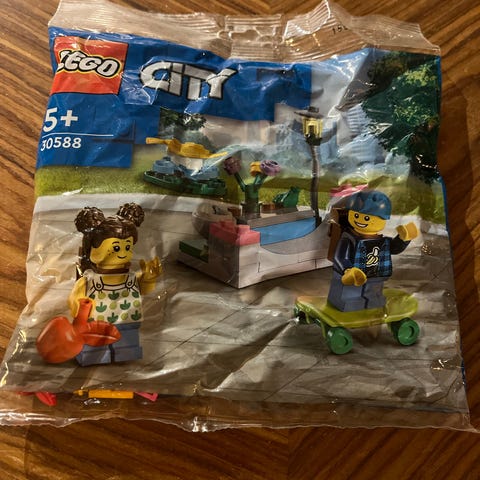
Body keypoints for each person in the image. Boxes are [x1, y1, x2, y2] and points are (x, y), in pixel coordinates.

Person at [69, 203, 161, 365]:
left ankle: (125, 354)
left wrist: (148, 277)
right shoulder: (90, 279)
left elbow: (142, 289)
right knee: (94, 344)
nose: (123, 253)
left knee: (127, 343)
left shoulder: (130, 277)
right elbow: (75, 301)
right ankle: (93, 356)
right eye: (116, 248)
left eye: (128, 247)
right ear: (93, 249)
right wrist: (80, 309)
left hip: (127, 319)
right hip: (96, 323)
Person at [327, 190, 417, 312]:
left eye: (367, 217)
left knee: (373, 294)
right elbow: (340, 256)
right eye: (356, 215)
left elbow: (394, 248)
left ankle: (373, 304)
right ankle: (348, 305)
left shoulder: (381, 241)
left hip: (375, 274)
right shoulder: (348, 238)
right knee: (349, 296)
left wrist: (403, 239)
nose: (361, 220)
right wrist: (347, 269)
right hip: (354, 275)